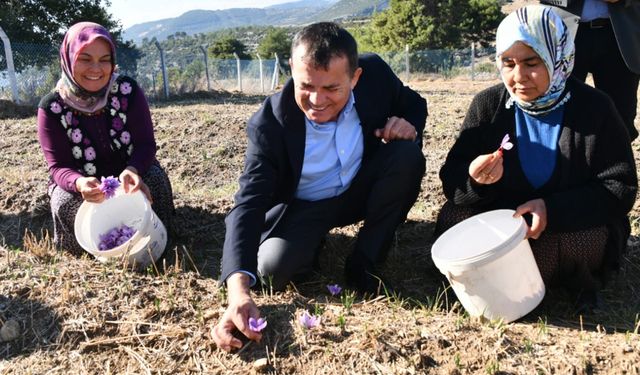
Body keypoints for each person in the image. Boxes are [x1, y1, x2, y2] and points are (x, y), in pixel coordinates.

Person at [212, 22, 427, 351]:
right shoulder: (270, 124)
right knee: (271, 271)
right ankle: (310, 246)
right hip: (304, 206)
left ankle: (365, 258)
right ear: (292, 70)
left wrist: (406, 124)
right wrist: (238, 291)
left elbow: (414, 104)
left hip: (358, 189)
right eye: (306, 85)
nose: (316, 100)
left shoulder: (377, 78)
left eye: (332, 89)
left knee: (406, 157)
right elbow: (248, 203)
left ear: (355, 78)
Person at [436, 6, 637, 308]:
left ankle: (536, 278)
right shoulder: (488, 105)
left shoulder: (594, 108)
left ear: (558, 58)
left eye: (532, 63)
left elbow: (618, 189)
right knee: (452, 219)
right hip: (507, 222)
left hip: (567, 224)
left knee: (578, 243)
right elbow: (452, 181)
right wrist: (475, 181)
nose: (519, 77)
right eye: (508, 63)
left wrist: (551, 209)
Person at [37, 22, 174, 254]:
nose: (96, 69)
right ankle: (88, 252)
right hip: (85, 186)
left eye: (104, 60)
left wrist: (134, 170)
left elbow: (145, 144)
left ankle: (158, 237)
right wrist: (79, 183)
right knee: (62, 201)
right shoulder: (52, 107)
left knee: (155, 180)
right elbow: (58, 166)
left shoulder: (126, 91)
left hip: (131, 177)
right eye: (85, 58)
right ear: (69, 59)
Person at [541, 0, 640, 140]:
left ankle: (618, 160)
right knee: (561, 117)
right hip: (563, 32)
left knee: (620, 119)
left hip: (621, 36)